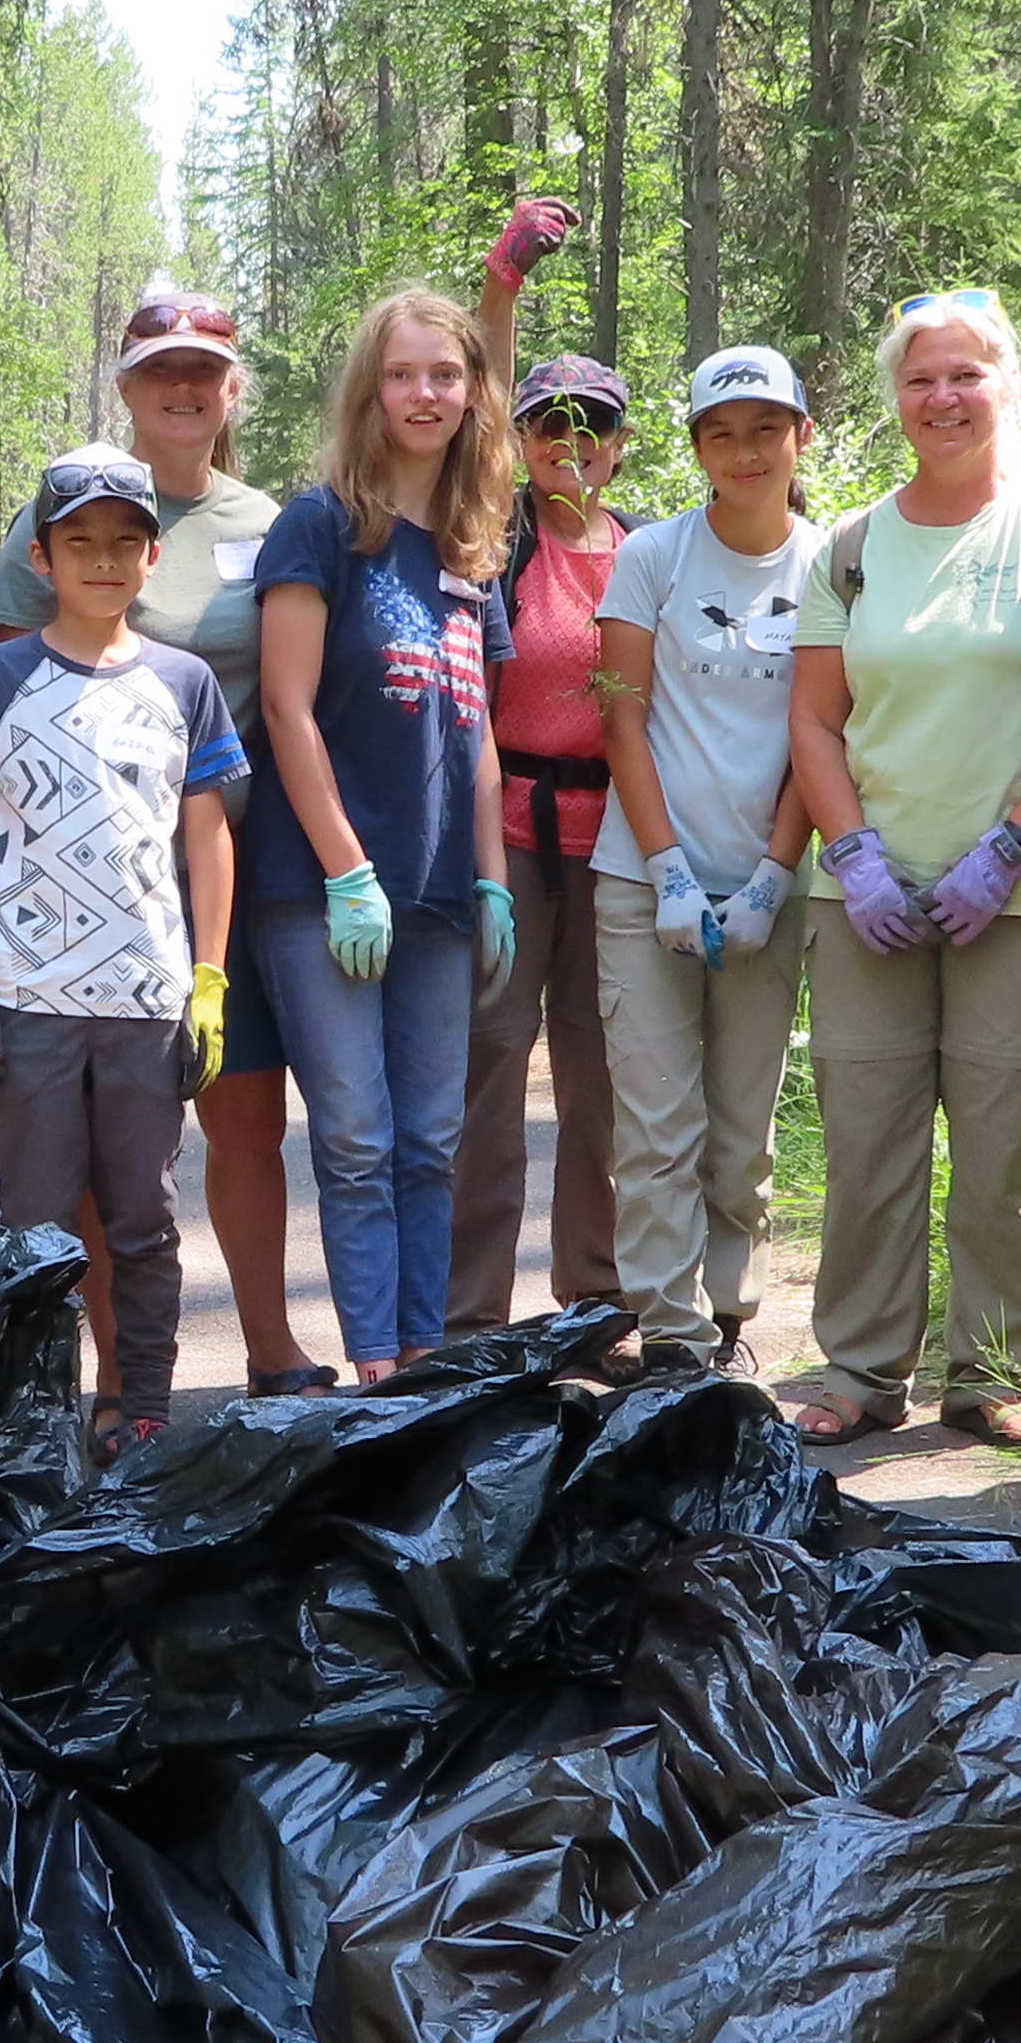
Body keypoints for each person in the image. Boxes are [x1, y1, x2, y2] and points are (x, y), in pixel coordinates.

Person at [779, 284, 1021, 1452]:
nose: (944, 397)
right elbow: (815, 721)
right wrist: (854, 854)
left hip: (1010, 899)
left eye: (966, 374)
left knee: (1005, 1142)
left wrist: (1012, 849)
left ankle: (993, 1369)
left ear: (1004, 384)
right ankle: (863, 1370)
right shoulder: (853, 548)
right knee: (867, 1138)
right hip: (864, 896)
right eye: (922, 378)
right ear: (896, 398)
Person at [0, 447, 241, 1464]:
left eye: (124, 542)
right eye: (80, 542)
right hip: (26, 1000)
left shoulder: (185, 685)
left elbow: (206, 835)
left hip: (148, 1000)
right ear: (42, 556)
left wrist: (208, 978)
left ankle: (140, 1401)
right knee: (33, 1226)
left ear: (152, 557)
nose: (102, 559)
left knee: (144, 1216)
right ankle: (32, 1414)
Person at [243, 287, 517, 1381]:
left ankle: (424, 1348)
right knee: (355, 1140)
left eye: (445, 375)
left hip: (442, 894)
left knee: (430, 1144)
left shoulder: (470, 546)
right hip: (322, 893)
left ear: (470, 394)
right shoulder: (321, 524)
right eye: (403, 374)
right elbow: (285, 708)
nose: (424, 394)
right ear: (371, 388)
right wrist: (347, 867)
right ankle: (376, 1367)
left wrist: (492, 880)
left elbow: (479, 726)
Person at [59, 288, 327, 1398]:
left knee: (247, 1111)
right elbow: (16, 686)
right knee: (104, 1136)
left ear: (232, 390)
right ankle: (121, 1374)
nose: (182, 388)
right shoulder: (74, 511)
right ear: (125, 386)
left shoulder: (269, 525)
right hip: (100, 874)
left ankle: (271, 1349)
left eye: (204, 370)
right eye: (160, 369)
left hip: (236, 862)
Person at [584, 345, 820, 1383]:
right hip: (645, 882)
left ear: (798, 437)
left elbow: (825, 730)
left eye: (765, 428)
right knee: (656, 1122)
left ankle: (731, 1312)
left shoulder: (830, 562)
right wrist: (669, 867)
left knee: (741, 1125)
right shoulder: (654, 559)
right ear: (695, 449)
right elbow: (621, 723)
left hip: (771, 876)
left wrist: (773, 875)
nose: (745, 451)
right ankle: (670, 1332)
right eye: (721, 433)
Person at [451, 335, 634, 1334]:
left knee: (599, 1074)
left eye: (592, 424)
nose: (571, 441)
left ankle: (596, 1300)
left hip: (618, 838)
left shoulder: (649, 552)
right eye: (549, 423)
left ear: (618, 445)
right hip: (510, 833)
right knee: (490, 1062)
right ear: (520, 439)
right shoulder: (494, 542)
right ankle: (470, 1314)